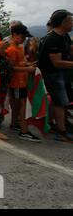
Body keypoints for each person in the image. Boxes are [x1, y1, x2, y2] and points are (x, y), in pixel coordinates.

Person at [38, 10, 73, 142]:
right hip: (52, 74)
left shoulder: (64, 35)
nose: (72, 23)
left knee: (63, 101)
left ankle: (57, 125)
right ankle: (61, 131)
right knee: (60, 102)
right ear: (63, 23)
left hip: (61, 74)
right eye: (71, 21)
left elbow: (70, 49)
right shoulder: (52, 39)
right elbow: (57, 62)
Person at [5, 24, 40, 142]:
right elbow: (12, 68)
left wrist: (29, 65)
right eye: (23, 36)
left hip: (22, 81)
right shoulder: (11, 49)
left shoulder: (18, 47)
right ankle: (24, 131)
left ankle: (15, 124)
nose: (24, 39)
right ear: (14, 35)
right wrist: (27, 69)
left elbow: (20, 63)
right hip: (17, 82)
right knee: (22, 105)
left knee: (19, 104)